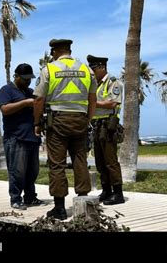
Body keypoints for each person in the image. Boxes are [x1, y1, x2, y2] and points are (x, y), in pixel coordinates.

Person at [33, 39, 97, 220]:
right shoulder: (86, 70)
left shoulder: (49, 69)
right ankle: (84, 203)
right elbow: (93, 99)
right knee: (80, 159)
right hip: (81, 120)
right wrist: (88, 119)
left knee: (57, 163)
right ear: (70, 50)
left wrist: (37, 123)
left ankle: (60, 209)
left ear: (54, 51)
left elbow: (38, 100)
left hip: (57, 121)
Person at [0, 63, 44, 210]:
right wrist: (25, 103)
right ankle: (16, 199)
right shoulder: (7, 90)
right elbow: (4, 109)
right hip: (15, 138)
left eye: (29, 78)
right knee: (17, 171)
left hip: (32, 137)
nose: (27, 81)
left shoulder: (31, 92)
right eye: (24, 79)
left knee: (32, 171)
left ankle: (30, 197)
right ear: (16, 76)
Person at [87, 55, 125, 205]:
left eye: (94, 68)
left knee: (110, 160)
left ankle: (118, 193)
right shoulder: (95, 84)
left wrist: (93, 103)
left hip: (108, 125)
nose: (92, 72)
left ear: (102, 67)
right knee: (100, 161)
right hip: (96, 125)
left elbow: (112, 103)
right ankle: (106, 190)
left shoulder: (113, 82)